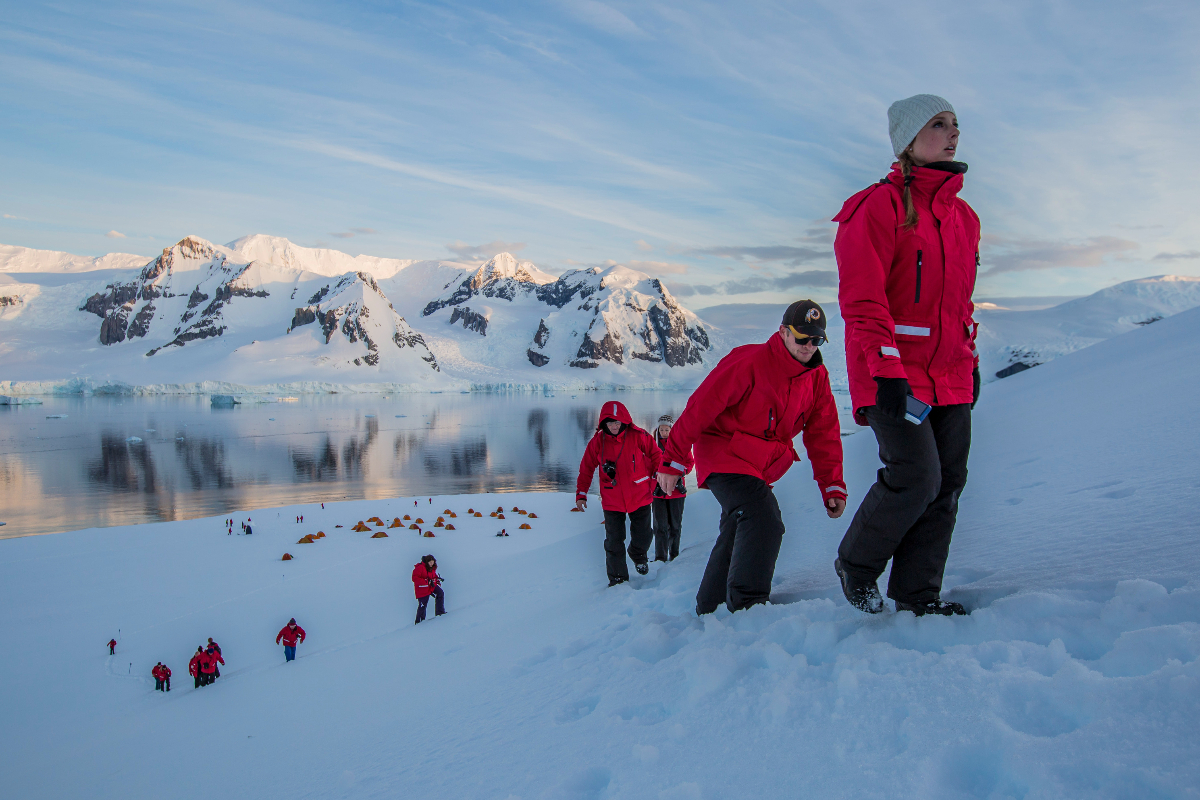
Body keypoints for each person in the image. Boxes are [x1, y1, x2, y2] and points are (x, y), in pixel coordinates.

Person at [831, 94, 980, 617]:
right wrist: (887, 370)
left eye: (955, 124)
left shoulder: (965, 218)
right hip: (892, 374)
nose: (953, 132)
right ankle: (856, 563)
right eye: (939, 124)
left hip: (950, 373)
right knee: (917, 475)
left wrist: (971, 360)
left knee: (948, 484)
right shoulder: (877, 206)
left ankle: (918, 595)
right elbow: (862, 300)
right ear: (909, 140)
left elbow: (959, 303)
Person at [658, 300, 847, 615]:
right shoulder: (750, 362)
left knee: (739, 523)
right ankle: (748, 608)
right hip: (722, 452)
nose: (809, 346)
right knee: (763, 519)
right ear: (783, 332)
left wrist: (832, 485)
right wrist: (673, 460)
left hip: (756, 463)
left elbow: (823, 433)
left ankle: (711, 605)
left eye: (816, 340)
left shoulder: (816, 377)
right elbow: (700, 407)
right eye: (802, 337)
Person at [575, 401, 663, 586]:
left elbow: (656, 455)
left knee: (644, 534)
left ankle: (638, 554)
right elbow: (586, 468)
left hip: (640, 494)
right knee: (614, 541)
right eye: (610, 423)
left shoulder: (639, 435)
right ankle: (618, 579)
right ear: (603, 423)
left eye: (617, 422)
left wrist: (656, 478)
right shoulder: (597, 442)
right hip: (612, 499)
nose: (614, 426)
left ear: (624, 421)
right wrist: (581, 493)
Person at [651, 414, 686, 563]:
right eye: (662, 430)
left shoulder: (680, 444)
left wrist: (676, 473)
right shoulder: (652, 445)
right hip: (657, 492)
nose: (664, 433)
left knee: (675, 526)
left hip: (676, 492)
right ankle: (660, 557)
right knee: (660, 526)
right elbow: (645, 463)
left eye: (666, 430)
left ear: (672, 429)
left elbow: (689, 462)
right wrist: (655, 474)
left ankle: (674, 555)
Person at [412, 555, 445, 623]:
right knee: (423, 605)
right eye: (430, 562)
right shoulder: (420, 568)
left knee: (440, 593)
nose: (431, 563)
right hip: (422, 589)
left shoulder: (432, 567)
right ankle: (419, 622)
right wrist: (426, 581)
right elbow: (414, 578)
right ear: (427, 562)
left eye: (433, 562)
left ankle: (440, 613)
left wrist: (437, 580)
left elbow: (433, 575)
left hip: (431, 586)